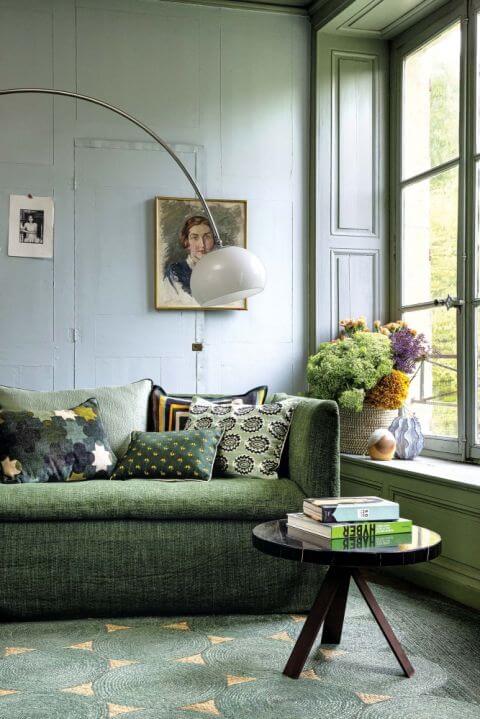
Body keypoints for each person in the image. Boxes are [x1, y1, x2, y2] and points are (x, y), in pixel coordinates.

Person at [162, 215, 217, 306]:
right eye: (195, 237)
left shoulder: (218, 271)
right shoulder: (175, 271)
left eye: (207, 237)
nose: (202, 244)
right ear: (186, 242)